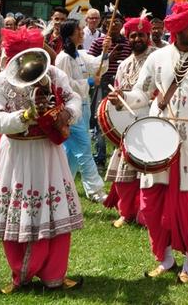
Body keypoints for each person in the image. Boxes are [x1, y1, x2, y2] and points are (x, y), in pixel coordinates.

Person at [112, 1, 188, 283]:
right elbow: (141, 93)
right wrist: (121, 98)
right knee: (151, 203)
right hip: (157, 139)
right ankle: (165, 257)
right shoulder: (157, 58)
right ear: (177, 30)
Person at [0, 46, 84, 294]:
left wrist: (66, 113)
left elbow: (74, 98)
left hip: (49, 152)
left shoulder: (54, 74)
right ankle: (20, 273)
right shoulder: (0, 81)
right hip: (16, 155)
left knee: (55, 211)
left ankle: (54, 275)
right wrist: (25, 115)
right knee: (16, 212)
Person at [103, 12, 157, 228]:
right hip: (126, 123)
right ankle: (126, 213)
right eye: (133, 36)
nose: (137, 39)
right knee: (125, 174)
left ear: (148, 36)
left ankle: (145, 214)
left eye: (141, 35)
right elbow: (118, 88)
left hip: (151, 119)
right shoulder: (124, 64)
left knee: (147, 173)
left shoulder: (157, 58)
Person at [55, 19, 106, 203]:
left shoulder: (80, 54)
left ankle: (61, 186)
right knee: (84, 148)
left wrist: (105, 51)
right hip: (71, 108)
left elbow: (96, 65)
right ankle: (95, 190)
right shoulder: (63, 58)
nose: (82, 31)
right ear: (70, 33)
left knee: (72, 152)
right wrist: (89, 83)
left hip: (83, 106)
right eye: (79, 29)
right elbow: (63, 86)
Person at [88, 12, 130, 169]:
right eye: (110, 22)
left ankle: (118, 156)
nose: (114, 24)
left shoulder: (128, 43)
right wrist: (108, 57)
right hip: (102, 83)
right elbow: (90, 65)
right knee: (100, 119)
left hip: (120, 85)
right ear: (105, 24)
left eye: (118, 21)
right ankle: (100, 157)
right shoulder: (99, 42)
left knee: (119, 119)